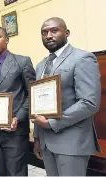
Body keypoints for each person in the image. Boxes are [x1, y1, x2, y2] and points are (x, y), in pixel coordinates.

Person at [32, 17, 101, 176]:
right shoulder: (41, 65)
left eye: (54, 30)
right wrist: (37, 137)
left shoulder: (83, 58)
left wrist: (52, 123)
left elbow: (89, 102)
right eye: (44, 32)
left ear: (67, 32)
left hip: (72, 142)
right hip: (46, 142)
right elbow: (39, 105)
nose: (48, 35)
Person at [0, 26, 36, 176]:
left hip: (15, 132)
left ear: (7, 40)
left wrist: (19, 117)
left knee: (16, 173)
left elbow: (33, 94)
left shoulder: (22, 62)